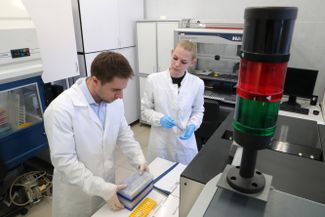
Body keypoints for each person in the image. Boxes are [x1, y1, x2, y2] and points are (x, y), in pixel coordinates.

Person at [44, 51, 149, 217]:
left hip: (107, 186)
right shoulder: (60, 110)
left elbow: (124, 134)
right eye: (115, 89)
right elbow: (65, 162)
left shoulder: (114, 102)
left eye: (122, 90)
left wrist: (138, 159)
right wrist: (100, 187)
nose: (120, 96)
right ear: (95, 81)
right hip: (77, 196)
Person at [141, 39, 205, 165]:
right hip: (160, 141)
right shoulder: (153, 80)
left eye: (183, 62)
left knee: (183, 179)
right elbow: (145, 110)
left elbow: (198, 111)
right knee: (158, 175)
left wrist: (193, 125)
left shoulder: (197, 83)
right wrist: (160, 119)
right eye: (175, 58)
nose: (176, 64)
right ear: (171, 53)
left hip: (184, 143)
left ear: (192, 62)